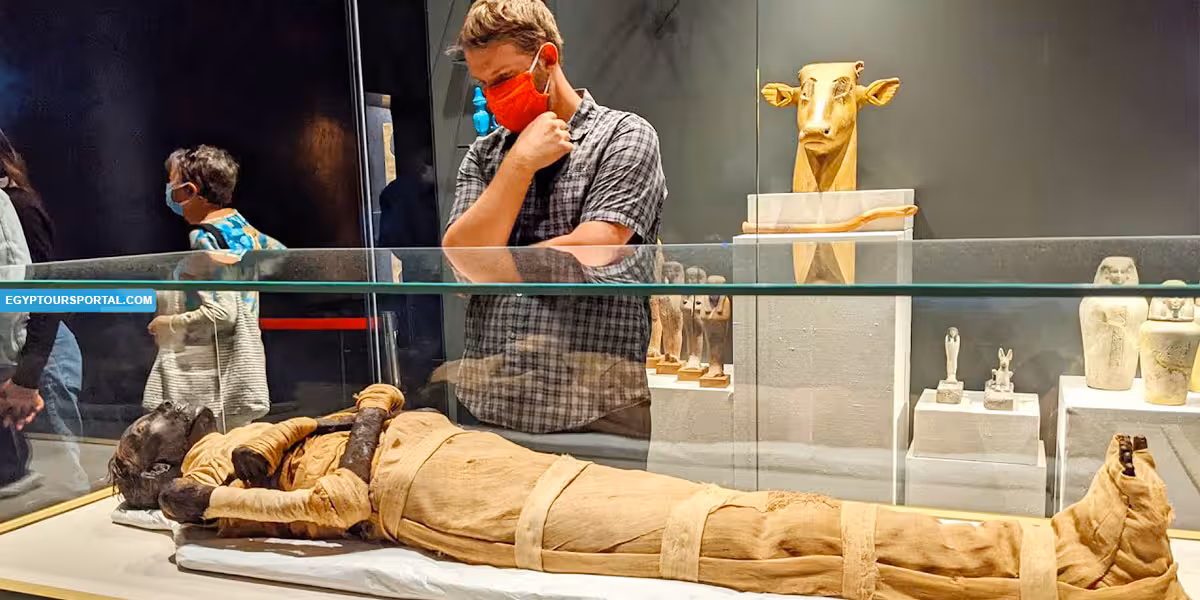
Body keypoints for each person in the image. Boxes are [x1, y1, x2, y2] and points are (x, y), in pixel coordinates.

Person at [109, 387, 1186, 599]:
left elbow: (375, 412)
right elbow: (334, 508)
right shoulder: (213, 480)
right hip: (474, 509)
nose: (181, 426)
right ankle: (1079, 565)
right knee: (766, 540)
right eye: (162, 435)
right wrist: (371, 424)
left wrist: (373, 418)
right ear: (157, 463)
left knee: (752, 514)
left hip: (494, 466)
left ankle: (1062, 545)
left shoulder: (254, 430)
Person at [442, 0, 666, 439]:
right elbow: (460, 256)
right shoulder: (487, 155)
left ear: (547, 58)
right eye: (484, 84)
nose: (493, 95)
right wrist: (520, 162)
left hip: (595, 405)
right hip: (493, 402)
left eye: (504, 78)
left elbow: (596, 248)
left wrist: (487, 266)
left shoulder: (624, 135)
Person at [143, 145, 285, 432]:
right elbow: (280, 254)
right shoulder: (242, 227)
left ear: (190, 191)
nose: (169, 191)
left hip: (213, 366)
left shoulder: (203, 237)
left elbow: (222, 314)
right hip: (245, 359)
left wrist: (167, 323)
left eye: (172, 184)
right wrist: (240, 269)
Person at [0, 129, 86, 498]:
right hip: (17, 347)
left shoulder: (17, 206)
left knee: (70, 472)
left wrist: (28, 375)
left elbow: (46, 290)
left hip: (41, 347)